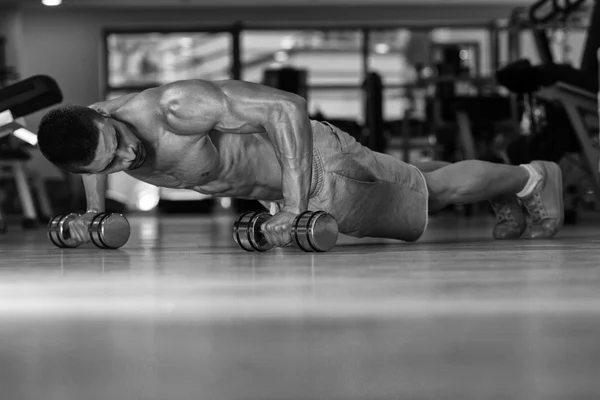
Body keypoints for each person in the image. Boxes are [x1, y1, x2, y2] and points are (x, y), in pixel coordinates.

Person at [37, 79, 564, 247]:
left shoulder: (176, 107)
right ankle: (505, 188)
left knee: (431, 196)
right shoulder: (93, 138)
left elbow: (286, 108)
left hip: (313, 167)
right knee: (415, 180)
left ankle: (533, 177)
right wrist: (91, 213)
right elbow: (94, 161)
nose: (128, 157)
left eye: (121, 143)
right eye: (110, 165)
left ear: (104, 116)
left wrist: (295, 203)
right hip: (279, 186)